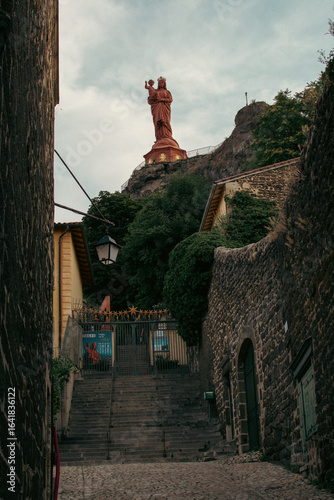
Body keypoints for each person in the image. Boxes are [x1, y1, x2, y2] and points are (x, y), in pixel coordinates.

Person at [146, 77, 173, 142]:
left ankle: (167, 136)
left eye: (162, 82)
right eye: (159, 83)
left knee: (165, 122)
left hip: (164, 108)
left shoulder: (167, 92)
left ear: (164, 84)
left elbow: (170, 100)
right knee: (158, 123)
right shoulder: (155, 91)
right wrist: (150, 90)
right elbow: (150, 101)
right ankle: (159, 138)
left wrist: (161, 99)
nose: (160, 84)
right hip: (157, 108)